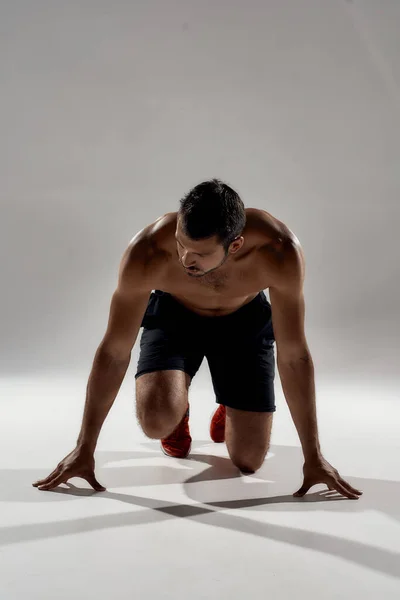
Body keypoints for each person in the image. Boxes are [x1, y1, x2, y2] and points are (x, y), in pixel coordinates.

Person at [33, 178, 363, 500]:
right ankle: (177, 411)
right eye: (181, 243)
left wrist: (313, 456)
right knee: (156, 420)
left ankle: (229, 403)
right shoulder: (147, 251)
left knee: (248, 462)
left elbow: (294, 356)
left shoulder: (278, 252)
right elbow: (114, 350)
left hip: (244, 325)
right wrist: (84, 447)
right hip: (175, 318)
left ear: (235, 245)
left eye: (199, 254)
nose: (184, 259)